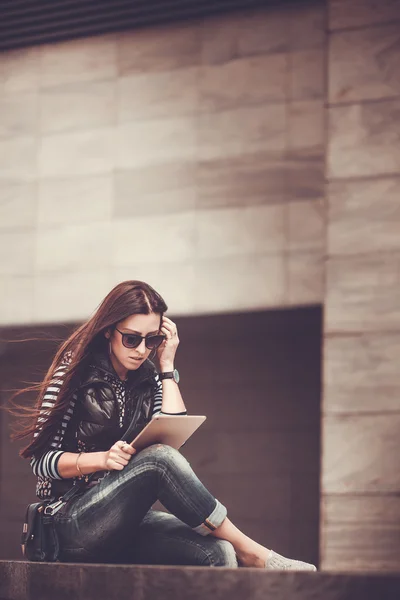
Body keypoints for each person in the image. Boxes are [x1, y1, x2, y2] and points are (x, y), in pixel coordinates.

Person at [12, 280, 317, 570]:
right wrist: (100, 460)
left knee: (218, 551)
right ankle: (252, 551)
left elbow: (171, 441)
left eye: (152, 339)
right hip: (71, 520)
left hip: (126, 517)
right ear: (108, 330)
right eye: (131, 338)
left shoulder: (150, 378)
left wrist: (166, 366)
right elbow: (41, 462)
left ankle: (240, 551)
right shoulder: (73, 374)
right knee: (159, 460)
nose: (142, 349)